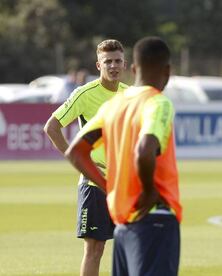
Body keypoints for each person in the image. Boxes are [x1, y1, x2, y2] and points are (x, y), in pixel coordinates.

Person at [64, 36, 181, 276]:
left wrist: (109, 187)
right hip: (154, 215)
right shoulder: (158, 103)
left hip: (123, 220)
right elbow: (145, 150)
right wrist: (148, 191)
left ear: (134, 68)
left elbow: (75, 152)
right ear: (167, 71)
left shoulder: (113, 106)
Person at [43, 39, 128, 276]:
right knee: (95, 249)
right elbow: (51, 127)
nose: (113, 65)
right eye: (107, 61)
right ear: (98, 65)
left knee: (131, 247)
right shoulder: (84, 93)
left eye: (117, 61)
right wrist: (78, 162)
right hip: (94, 185)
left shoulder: (130, 95)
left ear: (125, 64)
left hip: (124, 184)